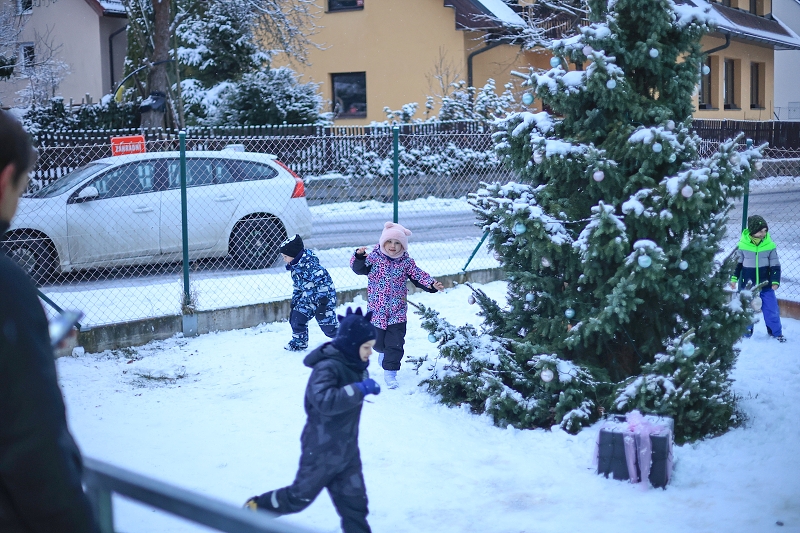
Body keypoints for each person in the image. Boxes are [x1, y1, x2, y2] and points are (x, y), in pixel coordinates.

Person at [0, 111, 100, 531]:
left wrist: (28, 348)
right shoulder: (6, 287)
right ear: (5, 179)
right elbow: (35, 450)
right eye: (22, 190)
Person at [244, 307, 381, 533]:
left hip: (347, 450)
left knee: (355, 504)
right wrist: (358, 389)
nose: (370, 353)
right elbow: (323, 400)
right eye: (367, 348)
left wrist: (360, 382)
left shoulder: (353, 364)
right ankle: (257, 507)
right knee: (299, 498)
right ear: (351, 345)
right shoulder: (327, 367)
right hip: (321, 449)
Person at [350, 222, 444, 389]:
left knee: (395, 343)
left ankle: (390, 373)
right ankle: (383, 353)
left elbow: (418, 275)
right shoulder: (374, 258)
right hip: (377, 311)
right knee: (378, 344)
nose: (393, 246)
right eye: (389, 242)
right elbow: (358, 268)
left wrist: (431, 285)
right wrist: (358, 257)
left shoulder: (405, 261)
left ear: (403, 245)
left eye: (398, 243)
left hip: (397, 311)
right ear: (383, 242)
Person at [730, 214, 785, 342]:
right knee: (747, 311)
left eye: (765, 231)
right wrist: (733, 279)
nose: (763, 234)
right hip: (748, 287)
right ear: (753, 231)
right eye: (761, 231)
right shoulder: (743, 245)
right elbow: (737, 265)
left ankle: (776, 333)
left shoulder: (769, 245)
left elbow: (775, 265)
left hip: (766, 286)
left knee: (772, 311)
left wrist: (775, 281)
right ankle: (745, 334)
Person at [280, 234, 338, 351]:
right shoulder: (295, 268)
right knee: (296, 317)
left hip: (324, 300)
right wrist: (295, 301)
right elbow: (298, 287)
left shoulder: (312, 267)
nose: (284, 259)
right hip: (308, 299)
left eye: (285, 256)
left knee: (329, 327)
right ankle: (299, 342)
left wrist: (322, 305)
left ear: (294, 255)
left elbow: (324, 286)